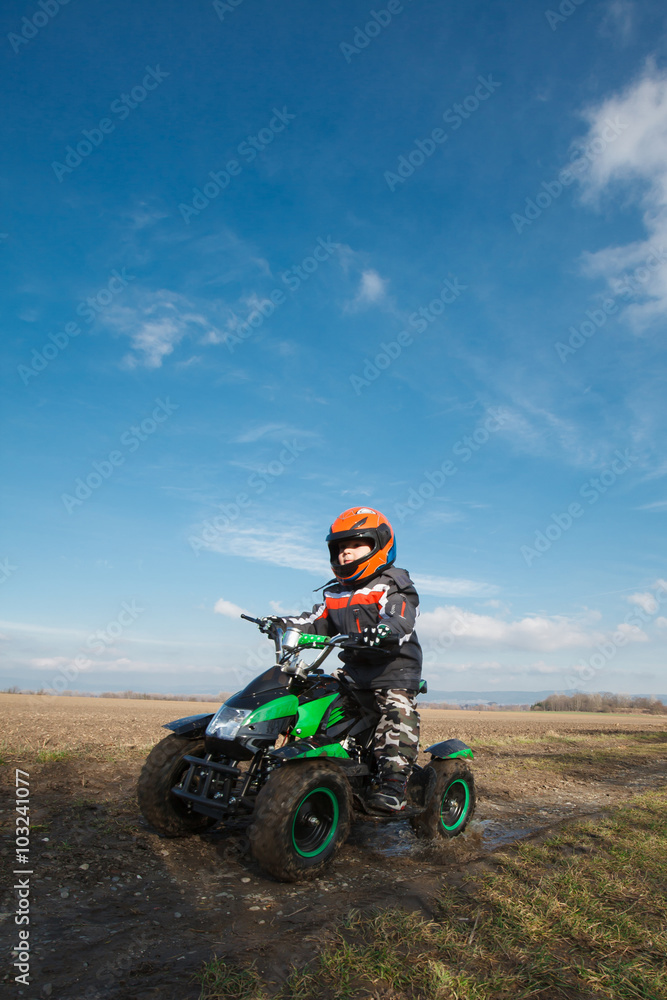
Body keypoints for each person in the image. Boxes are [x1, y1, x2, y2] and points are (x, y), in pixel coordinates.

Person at [276, 507, 422, 812]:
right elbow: (314, 620)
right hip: (353, 673)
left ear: (380, 544)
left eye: (355, 545)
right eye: (340, 548)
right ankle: (299, 761)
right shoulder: (335, 594)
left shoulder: (392, 584)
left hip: (393, 671)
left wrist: (384, 630)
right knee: (311, 696)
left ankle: (393, 784)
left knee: (396, 713)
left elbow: (401, 616)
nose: (345, 554)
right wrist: (281, 623)